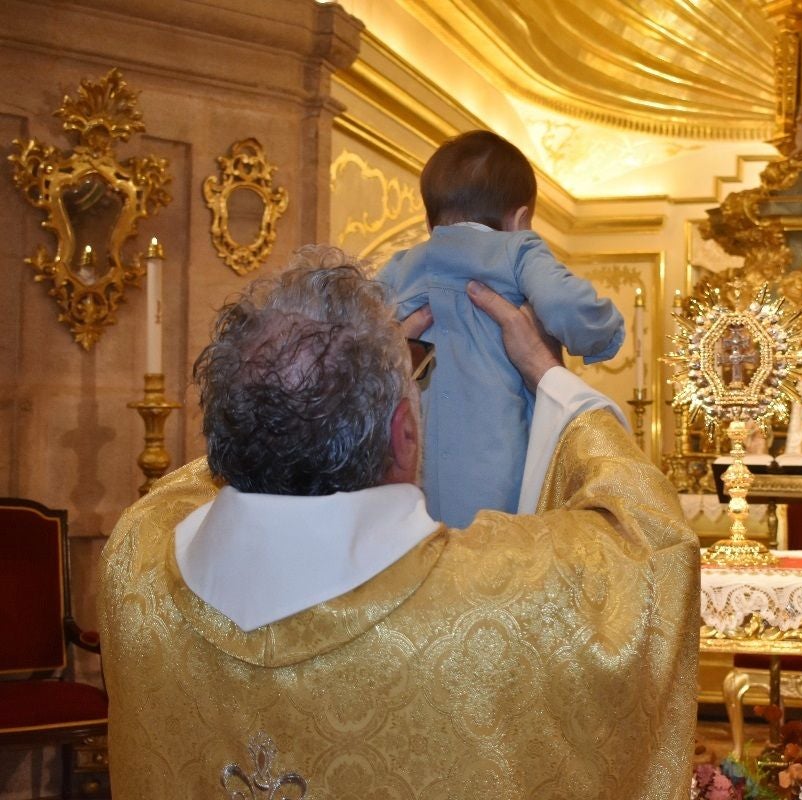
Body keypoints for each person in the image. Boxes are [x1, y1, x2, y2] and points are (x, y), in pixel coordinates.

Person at [98, 246, 698, 799]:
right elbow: (650, 539)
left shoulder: (136, 563)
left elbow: (191, 484)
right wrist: (550, 376)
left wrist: (299, 397)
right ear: (405, 435)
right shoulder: (517, 600)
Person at [377, 130, 625, 527]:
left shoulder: (402, 264)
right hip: (496, 464)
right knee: (499, 555)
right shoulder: (518, 251)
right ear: (521, 219)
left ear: (429, 220)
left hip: (415, 465)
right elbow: (565, 304)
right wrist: (606, 333)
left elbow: (359, 327)